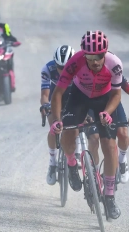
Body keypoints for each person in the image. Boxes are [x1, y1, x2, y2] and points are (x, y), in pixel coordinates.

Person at [50, 30, 125, 219]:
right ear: (84, 54)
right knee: (68, 133)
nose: (95, 61)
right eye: (90, 57)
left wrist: (107, 113)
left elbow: (117, 95)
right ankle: (72, 164)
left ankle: (109, 197)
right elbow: (58, 93)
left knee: (109, 146)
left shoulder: (114, 64)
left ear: (105, 53)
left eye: (99, 56)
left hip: (104, 99)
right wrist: (58, 120)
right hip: (79, 97)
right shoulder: (75, 62)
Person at [40, 45, 82, 185]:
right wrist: (45, 106)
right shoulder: (48, 69)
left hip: (73, 98)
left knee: (76, 126)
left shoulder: (81, 68)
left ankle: (76, 152)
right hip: (55, 99)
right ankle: (52, 163)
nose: (63, 70)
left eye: (67, 67)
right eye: (59, 66)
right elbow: (45, 95)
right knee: (54, 128)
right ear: (54, 63)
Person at [85, 76, 129, 184]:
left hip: (112, 103)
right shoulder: (85, 72)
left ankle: (122, 160)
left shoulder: (113, 71)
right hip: (91, 106)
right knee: (93, 139)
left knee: (123, 134)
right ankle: (94, 172)